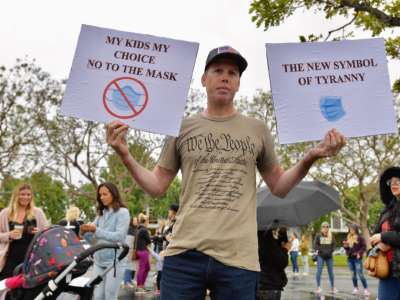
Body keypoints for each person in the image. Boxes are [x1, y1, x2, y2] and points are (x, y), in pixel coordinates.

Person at [106, 45, 345, 299]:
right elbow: (156, 186)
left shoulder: (257, 129)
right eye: (218, 70)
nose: (225, 77)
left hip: (239, 259)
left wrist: (311, 156)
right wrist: (124, 154)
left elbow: (279, 186)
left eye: (233, 73)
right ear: (204, 79)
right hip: (184, 254)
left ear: (239, 83)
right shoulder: (181, 127)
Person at [80, 182, 130, 300]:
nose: (101, 197)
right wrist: (84, 233)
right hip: (99, 261)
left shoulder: (123, 213)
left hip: (115, 262)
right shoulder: (101, 214)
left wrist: (95, 230)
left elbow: (119, 237)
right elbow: (93, 240)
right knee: (97, 296)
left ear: (113, 194)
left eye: (104, 194)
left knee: (110, 296)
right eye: (100, 195)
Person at [0, 183, 48, 280]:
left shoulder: (37, 212)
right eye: (22, 194)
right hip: (9, 258)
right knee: (5, 285)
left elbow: (47, 234)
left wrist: (39, 233)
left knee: (26, 289)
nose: (25, 197)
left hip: (31, 259)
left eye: (28, 195)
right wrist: (9, 235)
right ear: (16, 195)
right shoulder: (5, 213)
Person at [369, 167, 400, 299]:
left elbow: (381, 235)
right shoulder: (386, 210)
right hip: (388, 271)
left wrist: (383, 237)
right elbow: (374, 236)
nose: (394, 184)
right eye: (391, 181)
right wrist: (377, 245)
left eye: (398, 181)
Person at [257, 226, 291, 300]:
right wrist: (285, 249)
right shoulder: (265, 237)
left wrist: (283, 233)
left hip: (262, 283)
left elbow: (277, 247)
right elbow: (281, 261)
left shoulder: (262, 236)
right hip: (269, 285)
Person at [342, 223, 369, 296]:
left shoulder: (360, 238)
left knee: (360, 274)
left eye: (353, 229)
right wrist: (345, 246)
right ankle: (356, 288)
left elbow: (364, 247)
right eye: (350, 229)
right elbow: (347, 248)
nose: (351, 231)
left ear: (356, 230)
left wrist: (359, 253)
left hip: (357, 259)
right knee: (353, 275)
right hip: (350, 259)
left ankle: (366, 289)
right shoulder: (348, 237)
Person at [314, 221, 337, 294]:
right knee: (319, 271)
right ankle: (318, 287)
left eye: (327, 227)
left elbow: (334, 244)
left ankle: (333, 287)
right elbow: (315, 245)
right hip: (321, 256)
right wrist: (320, 250)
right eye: (324, 227)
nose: (326, 228)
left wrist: (331, 251)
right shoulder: (318, 235)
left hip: (329, 256)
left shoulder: (331, 235)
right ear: (322, 228)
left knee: (331, 272)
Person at [135, 213, 152, 293]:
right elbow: (148, 240)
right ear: (145, 221)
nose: (148, 222)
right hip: (143, 251)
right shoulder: (144, 230)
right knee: (142, 269)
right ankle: (139, 286)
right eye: (148, 221)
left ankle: (141, 285)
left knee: (147, 268)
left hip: (140, 250)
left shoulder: (139, 228)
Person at [123, 216, 138, 288]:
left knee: (131, 265)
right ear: (131, 221)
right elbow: (128, 242)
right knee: (128, 265)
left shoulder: (135, 229)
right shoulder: (130, 229)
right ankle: (126, 281)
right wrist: (130, 251)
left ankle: (129, 280)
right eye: (134, 220)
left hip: (132, 249)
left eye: (136, 220)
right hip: (129, 250)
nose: (136, 221)